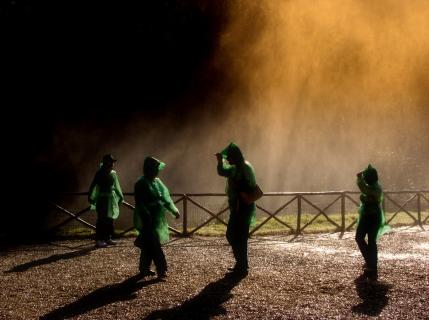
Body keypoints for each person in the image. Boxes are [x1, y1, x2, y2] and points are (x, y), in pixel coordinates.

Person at [133, 156, 180, 279]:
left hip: (157, 218)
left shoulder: (157, 182)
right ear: (149, 169)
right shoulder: (141, 183)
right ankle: (161, 269)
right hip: (147, 218)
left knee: (149, 244)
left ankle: (144, 268)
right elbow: (139, 203)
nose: (157, 171)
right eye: (155, 168)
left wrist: (174, 210)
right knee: (154, 245)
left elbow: (165, 198)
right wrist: (146, 216)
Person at [216, 142, 257, 276]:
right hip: (237, 206)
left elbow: (250, 185)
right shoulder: (235, 168)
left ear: (235, 157)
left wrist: (238, 185)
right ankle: (241, 264)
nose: (227, 159)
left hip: (244, 206)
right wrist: (220, 160)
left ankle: (242, 266)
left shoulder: (244, 167)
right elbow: (222, 171)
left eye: (229, 157)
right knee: (235, 236)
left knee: (236, 235)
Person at [355, 164, 391, 281]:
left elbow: (365, 190)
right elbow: (366, 194)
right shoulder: (375, 186)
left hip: (371, 216)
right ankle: (370, 264)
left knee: (367, 239)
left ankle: (372, 265)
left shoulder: (375, 187)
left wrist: (360, 179)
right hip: (370, 216)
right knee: (364, 239)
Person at [88, 154, 124, 248]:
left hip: (111, 199)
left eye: (113, 162)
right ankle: (99, 239)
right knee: (101, 219)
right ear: (105, 162)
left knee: (110, 219)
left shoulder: (113, 173)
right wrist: (90, 196)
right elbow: (93, 185)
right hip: (102, 199)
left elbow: (116, 186)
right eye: (110, 162)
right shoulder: (99, 173)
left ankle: (108, 238)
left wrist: (120, 196)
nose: (112, 164)